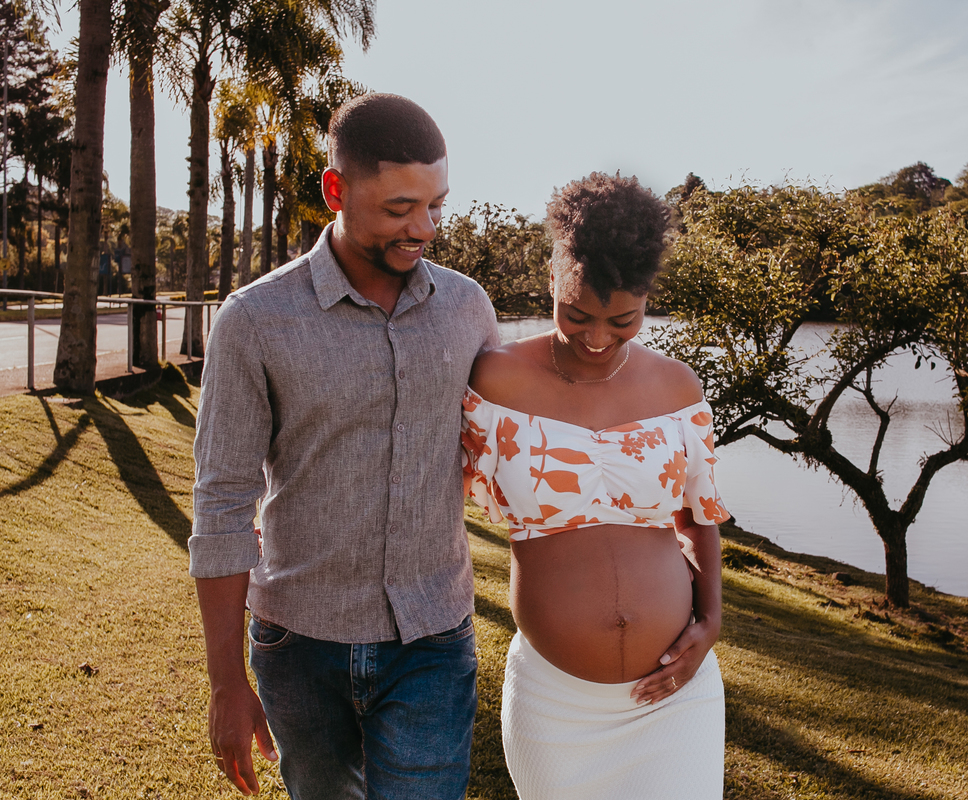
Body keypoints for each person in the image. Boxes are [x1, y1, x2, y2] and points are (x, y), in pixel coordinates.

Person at [189, 93, 499, 798]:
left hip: (433, 640)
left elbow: (518, 436)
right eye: (399, 209)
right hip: (298, 645)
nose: (424, 228)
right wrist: (226, 682)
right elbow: (223, 501)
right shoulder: (254, 321)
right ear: (336, 190)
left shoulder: (468, 309)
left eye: (436, 205)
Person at [462, 172, 730, 799]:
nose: (598, 338)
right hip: (556, 705)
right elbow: (431, 494)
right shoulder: (495, 383)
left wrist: (712, 622)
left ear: (646, 298)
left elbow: (698, 518)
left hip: (676, 696)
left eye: (623, 320)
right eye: (577, 314)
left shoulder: (677, 389)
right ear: (552, 277)